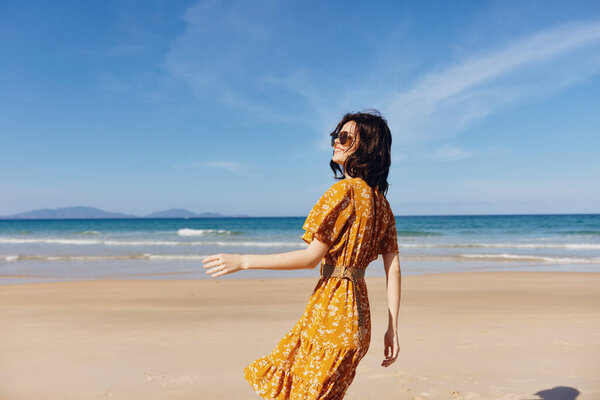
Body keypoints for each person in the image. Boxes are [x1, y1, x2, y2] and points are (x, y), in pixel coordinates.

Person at [202, 110, 402, 399]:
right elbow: (393, 269)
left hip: (331, 314)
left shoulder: (341, 192)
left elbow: (311, 258)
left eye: (345, 137)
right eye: (336, 135)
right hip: (359, 319)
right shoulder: (383, 206)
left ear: (366, 146)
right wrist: (392, 329)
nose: (336, 141)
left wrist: (244, 261)